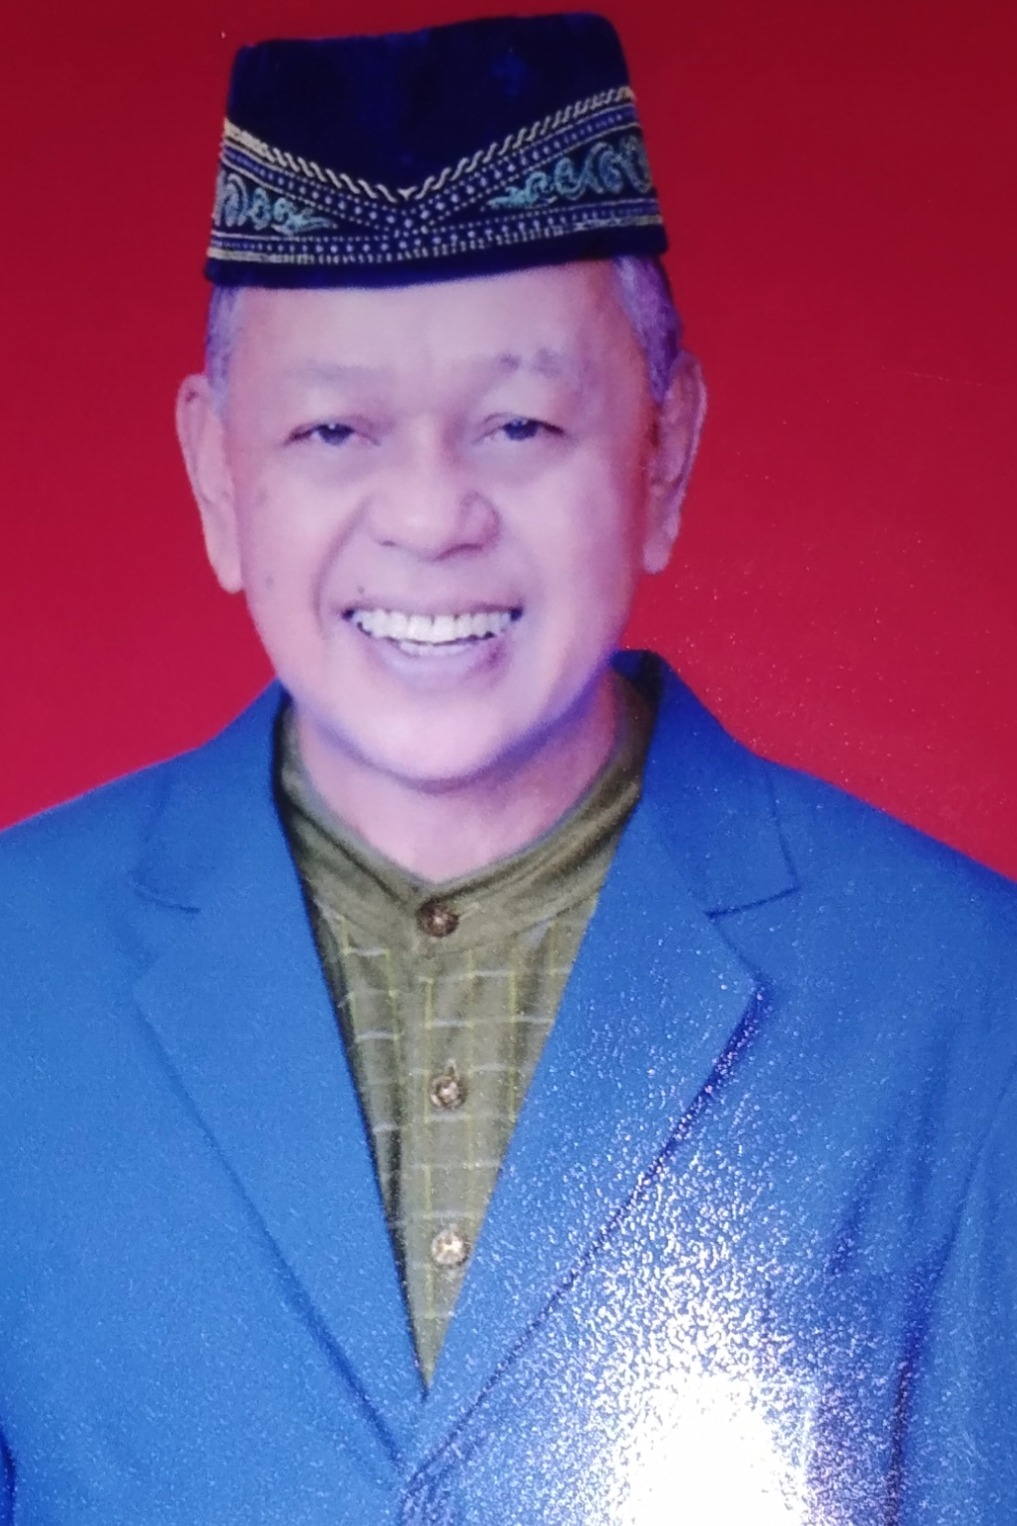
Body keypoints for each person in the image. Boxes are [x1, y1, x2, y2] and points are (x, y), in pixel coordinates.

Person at [1, 13, 1015, 1523]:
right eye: (333, 428)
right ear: (217, 474)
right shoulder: (17, 970)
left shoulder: (964, 997)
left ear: (664, 452)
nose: (430, 517)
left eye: (520, 423)